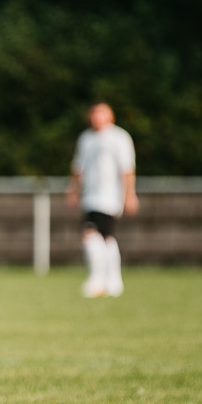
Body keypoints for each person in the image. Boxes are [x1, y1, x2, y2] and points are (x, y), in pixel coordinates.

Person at [66, 102, 138, 297]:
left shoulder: (119, 137)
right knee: (105, 237)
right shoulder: (86, 138)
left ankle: (99, 280)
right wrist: (73, 190)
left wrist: (129, 194)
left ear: (110, 116)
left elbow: (127, 168)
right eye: (95, 113)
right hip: (90, 196)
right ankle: (112, 282)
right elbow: (78, 167)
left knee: (90, 233)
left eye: (102, 113)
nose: (97, 117)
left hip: (109, 197)